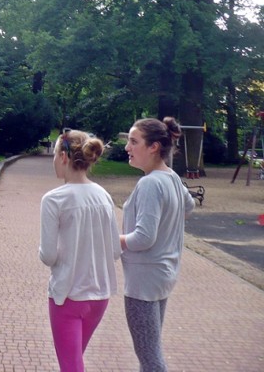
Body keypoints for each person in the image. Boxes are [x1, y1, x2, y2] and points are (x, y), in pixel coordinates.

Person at [39, 130, 121, 372]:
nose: (53, 160)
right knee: (74, 361)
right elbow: (115, 250)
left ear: (63, 157)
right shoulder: (104, 196)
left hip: (67, 295)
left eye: (54, 154)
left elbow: (48, 256)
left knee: (71, 366)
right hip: (99, 295)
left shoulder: (54, 199)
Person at [120, 117, 195, 371]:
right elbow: (189, 206)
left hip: (144, 281)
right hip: (162, 276)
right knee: (150, 353)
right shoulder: (170, 177)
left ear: (153, 147)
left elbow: (143, 238)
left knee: (150, 358)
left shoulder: (151, 183)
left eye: (133, 141)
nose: (127, 148)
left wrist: (109, 240)